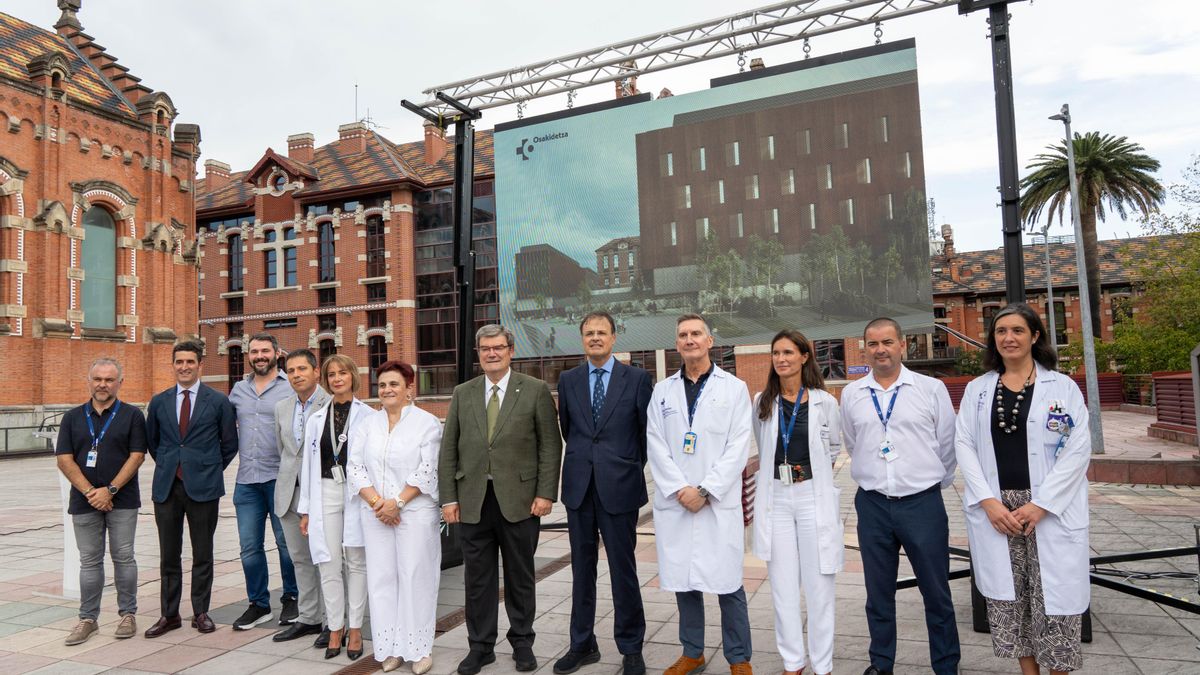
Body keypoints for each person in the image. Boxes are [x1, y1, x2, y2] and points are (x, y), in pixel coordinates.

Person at [955, 303, 1090, 674]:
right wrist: (988, 502)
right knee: (1012, 602)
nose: (1008, 338)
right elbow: (964, 444)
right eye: (1001, 331)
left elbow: (1078, 449)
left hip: (1048, 510)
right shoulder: (977, 390)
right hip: (999, 511)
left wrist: (1041, 505)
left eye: (1017, 330)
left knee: (1054, 603)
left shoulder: (1062, 387)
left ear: (1034, 336)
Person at [439, 324, 563, 675]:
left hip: (521, 501)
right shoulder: (463, 393)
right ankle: (480, 647)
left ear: (511, 351)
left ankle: (522, 642)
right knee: (477, 580)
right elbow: (448, 449)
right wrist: (448, 498)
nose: (491, 353)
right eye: (485, 349)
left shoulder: (535, 390)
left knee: (520, 577)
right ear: (478, 354)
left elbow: (550, 445)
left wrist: (545, 493)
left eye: (498, 347)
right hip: (473, 501)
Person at [840, 318, 959, 675]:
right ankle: (881, 664)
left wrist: (929, 484)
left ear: (902, 345)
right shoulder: (852, 394)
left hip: (922, 504)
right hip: (873, 504)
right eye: (873, 343)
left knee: (936, 592)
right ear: (865, 348)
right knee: (878, 594)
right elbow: (853, 443)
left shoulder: (930, 389)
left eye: (888, 342)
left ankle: (946, 666)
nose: (881, 350)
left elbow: (947, 445)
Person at [646, 314, 754, 675]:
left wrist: (706, 490)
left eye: (696, 333)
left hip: (716, 501)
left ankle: (739, 658)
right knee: (685, 581)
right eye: (683, 335)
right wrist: (681, 489)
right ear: (677, 343)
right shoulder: (663, 391)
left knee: (728, 582)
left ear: (710, 341)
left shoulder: (734, 388)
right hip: (677, 502)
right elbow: (655, 444)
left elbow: (739, 446)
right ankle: (692, 652)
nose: (689, 339)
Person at [553, 311, 653, 675]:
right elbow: (569, 430)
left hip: (620, 488)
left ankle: (631, 647)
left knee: (622, 570)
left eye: (601, 332)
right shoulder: (568, 380)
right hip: (580, 489)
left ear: (613, 338)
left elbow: (645, 435)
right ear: (582, 339)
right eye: (589, 333)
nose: (595, 337)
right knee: (582, 571)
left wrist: (623, 467)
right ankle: (582, 644)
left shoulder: (637, 379)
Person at [750, 330, 843, 675]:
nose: (781, 359)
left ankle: (822, 664)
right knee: (782, 587)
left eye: (788, 352)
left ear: (804, 357)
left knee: (819, 587)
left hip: (811, 496)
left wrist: (806, 473)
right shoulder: (762, 401)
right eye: (776, 353)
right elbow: (763, 444)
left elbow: (833, 447)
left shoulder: (824, 401)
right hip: (776, 496)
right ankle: (793, 662)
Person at [349, 360, 443, 674]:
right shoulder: (367, 425)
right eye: (383, 385)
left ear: (408, 389)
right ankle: (390, 649)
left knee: (416, 577)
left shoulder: (427, 423)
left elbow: (428, 468)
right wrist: (379, 503)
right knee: (382, 579)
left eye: (394, 384)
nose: (387, 390)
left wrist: (398, 502)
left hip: (414, 513)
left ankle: (419, 649)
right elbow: (355, 467)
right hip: (376, 514)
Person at [144, 341, 238, 637]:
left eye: (189, 362)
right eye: (179, 362)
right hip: (167, 487)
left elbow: (229, 444)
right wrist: (172, 465)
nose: (184, 367)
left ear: (200, 365)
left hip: (204, 488)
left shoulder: (218, 401)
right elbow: (153, 443)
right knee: (169, 555)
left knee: (203, 552)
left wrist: (206, 469)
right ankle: (169, 614)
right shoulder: (159, 402)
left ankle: (200, 612)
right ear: (173, 365)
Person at [56, 357, 147, 645]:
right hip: (84, 502)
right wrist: (91, 493)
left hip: (123, 500)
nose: (103, 385)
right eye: (97, 379)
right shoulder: (72, 417)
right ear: (89, 381)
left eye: (109, 380)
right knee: (89, 561)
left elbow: (137, 456)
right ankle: (88, 619)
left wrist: (110, 490)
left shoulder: (132, 416)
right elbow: (64, 459)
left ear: (120, 383)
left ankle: (128, 614)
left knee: (124, 557)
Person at [298, 354, 371, 660]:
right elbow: (307, 465)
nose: (337, 378)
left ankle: (355, 629)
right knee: (327, 562)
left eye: (343, 373)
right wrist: (305, 510)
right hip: (325, 490)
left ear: (353, 376)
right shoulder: (317, 418)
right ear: (325, 380)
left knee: (356, 561)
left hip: (357, 494)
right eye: (331, 374)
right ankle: (335, 627)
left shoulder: (369, 416)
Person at [228, 333, 298, 629]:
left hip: (281, 479)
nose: (259, 356)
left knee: (287, 544)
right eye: (254, 351)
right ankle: (258, 604)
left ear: (277, 353)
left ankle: (293, 598)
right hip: (247, 481)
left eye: (265, 351)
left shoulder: (290, 386)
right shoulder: (238, 390)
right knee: (249, 547)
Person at [271, 348, 332, 647]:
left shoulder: (331, 403)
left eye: (302, 369)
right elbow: (283, 451)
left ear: (316, 372)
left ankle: (333, 621)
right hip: (288, 493)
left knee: (328, 560)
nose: (296, 375)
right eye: (291, 370)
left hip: (321, 495)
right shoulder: (282, 407)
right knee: (300, 559)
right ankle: (309, 617)